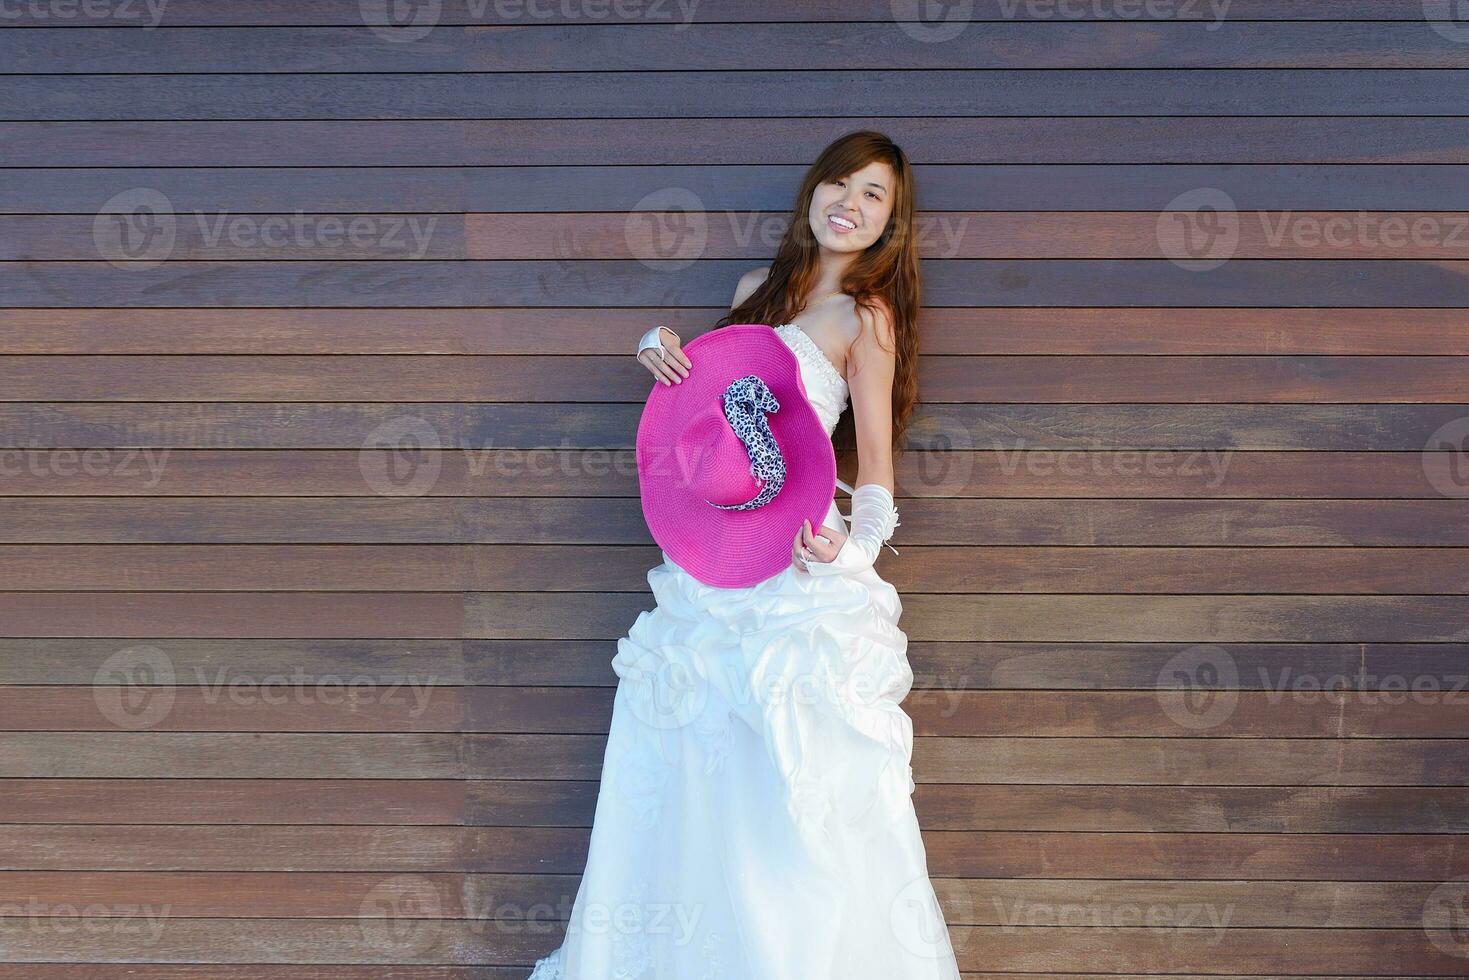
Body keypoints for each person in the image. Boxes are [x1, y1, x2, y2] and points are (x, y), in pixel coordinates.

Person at [527, 131, 960, 978]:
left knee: (789, 800)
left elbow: (874, 473)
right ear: (810, 194)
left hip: (797, 573)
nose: (851, 203)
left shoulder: (866, 317)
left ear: (890, 225)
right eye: (840, 183)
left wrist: (850, 548)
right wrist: (660, 346)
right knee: (689, 783)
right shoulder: (750, 291)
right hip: (713, 564)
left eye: (874, 196)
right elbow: (703, 410)